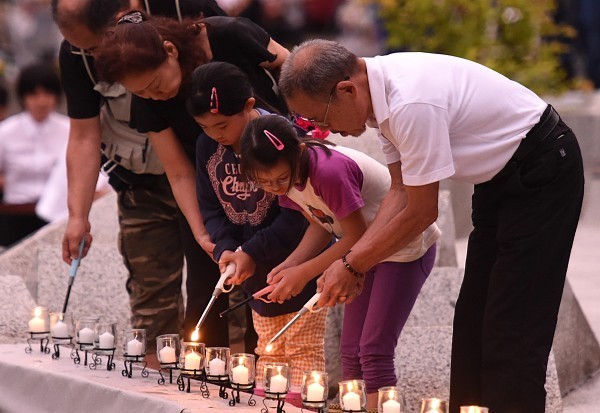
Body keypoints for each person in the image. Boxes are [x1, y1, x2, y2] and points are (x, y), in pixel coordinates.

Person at [277, 39, 585, 413]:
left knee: (513, 328)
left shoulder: (409, 102)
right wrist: (354, 261)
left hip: (543, 169)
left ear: (346, 90)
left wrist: (351, 265)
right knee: (471, 324)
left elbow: (422, 212)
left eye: (321, 119)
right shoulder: (378, 99)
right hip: (498, 179)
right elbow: (400, 191)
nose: (325, 131)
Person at [92, 10, 289, 346]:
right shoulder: (147, 102)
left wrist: (305, 131)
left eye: (155, 85)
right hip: (212, 186)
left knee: (268, 284)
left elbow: (294, 69)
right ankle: (204, 379)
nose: (154, 96)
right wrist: (202, 233)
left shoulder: (227, 35)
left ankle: (267, 372)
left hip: (277, 169)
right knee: (204, 288)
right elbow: (179, 171)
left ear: (170, 50)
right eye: (142, 93)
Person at [51, 0, 227, 363]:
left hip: (213, 183)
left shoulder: (183, 8)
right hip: (142, 185)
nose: (91, 57)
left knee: (223, 300)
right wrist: (77, 215)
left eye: (96, 48)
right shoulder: (76, 53)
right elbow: (84, 136)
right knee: (152, 314)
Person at [239, 114, 439, 408]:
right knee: (350, 350)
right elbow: (322, 222)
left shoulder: (329, 171)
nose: (276, 187)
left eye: (280, 179)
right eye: (264, 182)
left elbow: (356, 235)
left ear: (299, 153)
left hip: (402, 248)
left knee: (373, 349)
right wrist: (292, 266)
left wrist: (304, 273)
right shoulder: (287, 177)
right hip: (362, 255)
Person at [188, 62, 325, 402]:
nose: (215, 134)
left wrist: (251, 251)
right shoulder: (208, 147)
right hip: (250, 265)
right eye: (205, 127)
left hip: (296, 260)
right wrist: (226, 250)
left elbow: (300, 214)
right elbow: (211, 206)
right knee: (269, 348)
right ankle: (271, 403)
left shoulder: (278, 141)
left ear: (249, 106)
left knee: (302, 347)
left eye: (221, 124)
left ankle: (301, 402)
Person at [0, 63, 68, 246]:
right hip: (15, 215)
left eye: (48, 94)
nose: (42, 101)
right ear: (23, 97)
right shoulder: (5, 132)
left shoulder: (69, 130)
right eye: (34, 94)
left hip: (58, 215)